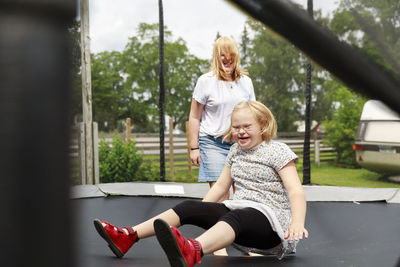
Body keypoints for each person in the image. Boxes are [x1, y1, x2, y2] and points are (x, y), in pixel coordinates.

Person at [93, 100, 308, 267]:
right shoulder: (235, 151)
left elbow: (295, 191)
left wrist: (297, 223)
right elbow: (222, 187)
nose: (240, 131)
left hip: (272, 228)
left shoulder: (277, 151)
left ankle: (193, 250)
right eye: (236, 127)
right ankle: (128, 237)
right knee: (189, 207)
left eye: (246, 126)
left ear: (262, 124)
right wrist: (201, 211)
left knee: (238, 215)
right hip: (241, 215)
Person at [188, 36, 255, 203]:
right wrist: (194, 147)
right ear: (216, 57)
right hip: (213, 143)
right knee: (221, 195)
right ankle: (217, 227)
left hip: (241, 144)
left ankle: (238, 228)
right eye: (222, 55)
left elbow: (254, 115)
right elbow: (195, 116)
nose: (227, 59)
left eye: (230, 54)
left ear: (236, 56)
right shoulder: (206, 81)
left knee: (243, 193)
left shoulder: (246, 82)